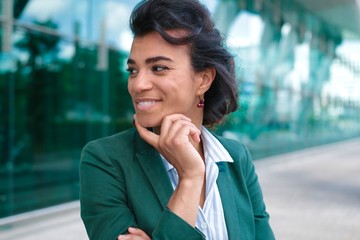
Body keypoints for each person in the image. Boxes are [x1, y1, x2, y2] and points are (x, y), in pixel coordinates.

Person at [80, 0, 275, 239]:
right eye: (133, 70)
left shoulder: (236, 158)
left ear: (203, 79)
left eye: (159, 68)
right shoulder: (106, 160)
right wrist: (191, 178)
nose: (138, 84)